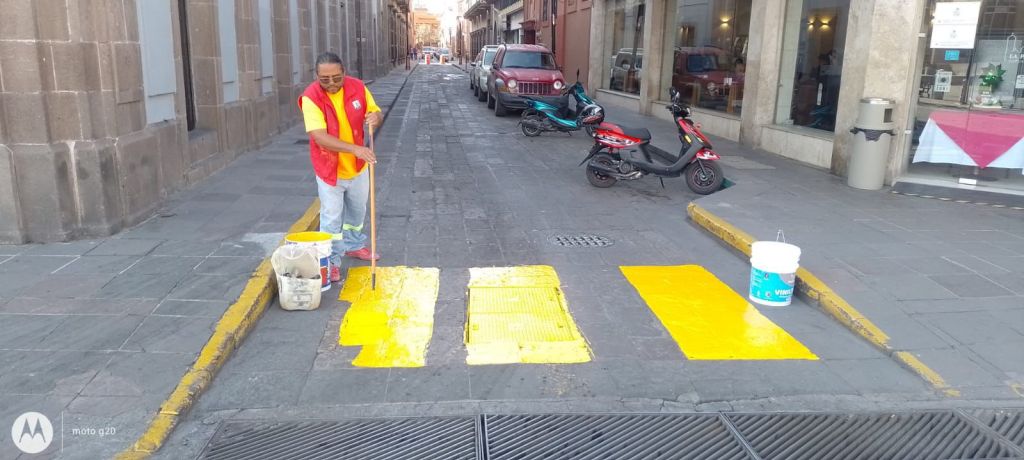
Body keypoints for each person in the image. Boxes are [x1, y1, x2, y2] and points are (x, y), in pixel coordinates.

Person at [298, 52, 383, 283]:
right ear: (317, 76)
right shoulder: (310, 98)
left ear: (344, 72)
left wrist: (375, 117)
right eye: (325, 79)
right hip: (330, 169)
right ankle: (332, 262)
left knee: (357, 212)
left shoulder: (357, 87)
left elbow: (375, 111)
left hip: (357, 167)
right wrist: (355, 149)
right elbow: (320, 137)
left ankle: (354, 245)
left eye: (337, 77)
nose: (332, 83)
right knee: (331, 221)